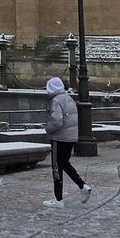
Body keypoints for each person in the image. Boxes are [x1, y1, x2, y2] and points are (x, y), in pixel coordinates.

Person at [42, 77, 91, 208]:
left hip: (59, 138)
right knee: (64, 164)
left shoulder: (56, 101)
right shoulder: (68, 98)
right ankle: (83, 186)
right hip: (70, 138)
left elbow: (57, 122)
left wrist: (47, 129)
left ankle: (58, 200)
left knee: (57, 167)